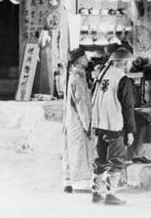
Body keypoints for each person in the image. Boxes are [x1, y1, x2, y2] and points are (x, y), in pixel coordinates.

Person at [90, 47, 136, 205]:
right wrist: (130, 131)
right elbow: (128, 108)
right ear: (123, 63)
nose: (130, 66)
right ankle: (110, 194)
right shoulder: (123, 79)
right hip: (114, 125)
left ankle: (95, 192)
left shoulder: (102, 74)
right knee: (117, 160)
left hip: (99, 124)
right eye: (129, 63)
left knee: (101, 158)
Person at [62, 48, 92, 194]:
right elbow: (81, 103)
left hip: (71, 120)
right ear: (79, 60)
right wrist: (87, 125)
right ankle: (80, 184)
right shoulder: (78, 77)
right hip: (78, 121)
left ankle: (68, 182)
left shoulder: (73, 75)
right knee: (79, 151)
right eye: (85, 57)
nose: (88, 59)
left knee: (71, 150)